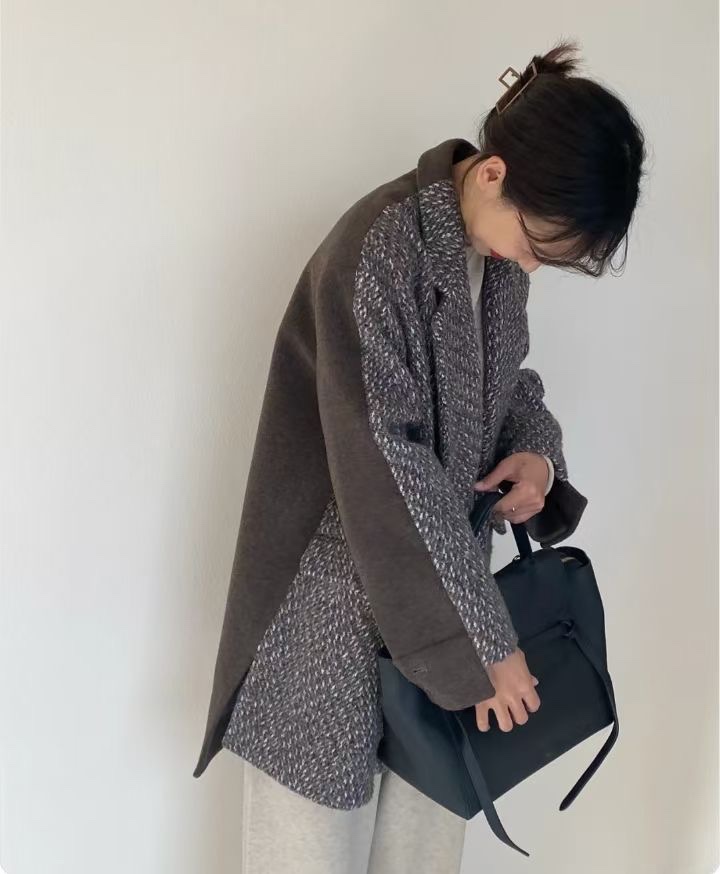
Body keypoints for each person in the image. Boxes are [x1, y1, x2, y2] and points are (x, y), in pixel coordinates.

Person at [193, 38, 646, 873]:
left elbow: (509, 381)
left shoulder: (494, 264)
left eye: (551, 255)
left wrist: (537, 457)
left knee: (423, 854)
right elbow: (386, 468)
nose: (531, 262)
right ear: (493, 173)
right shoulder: (377, 251)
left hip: (438, 615)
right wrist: (487, 646)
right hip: (331, 616)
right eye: (538, 241)